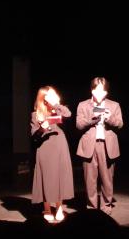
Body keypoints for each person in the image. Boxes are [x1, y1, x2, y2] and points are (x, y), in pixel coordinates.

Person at [76, 77, 124, 214]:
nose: (99, 92)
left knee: (107, 179)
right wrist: (94, 117)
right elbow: (79, 125)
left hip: (107, 146)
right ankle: (91, 207)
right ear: (92, 90)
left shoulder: (114, 105)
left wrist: (109, 118)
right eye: (96, 89)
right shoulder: (83, 105)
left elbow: (120, 124)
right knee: (89, 180)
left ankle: (106, 206)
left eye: (102, 90)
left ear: (106, 91)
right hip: (89, 146)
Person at [30, 85, 74, 222]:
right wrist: (42, 128)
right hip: (45, 147)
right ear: (43, 99)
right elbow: (34, 136)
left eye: (53, 95)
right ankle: (47, 208)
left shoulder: (58, 109)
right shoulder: (36, 114)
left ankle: (59, 207)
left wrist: (55, 104)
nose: (53, 97)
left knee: (59, 175)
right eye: (49, 96)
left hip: (60, 146)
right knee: (46, 176)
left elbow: (68, 114)